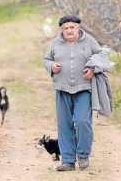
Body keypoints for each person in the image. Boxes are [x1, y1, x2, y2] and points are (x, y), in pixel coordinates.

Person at [43, 15, 110, 171]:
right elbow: (46, 59)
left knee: (82, 122)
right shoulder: (56, 42)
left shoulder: (89, 41)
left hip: (83, 90)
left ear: (78, 28)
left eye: (72, 27)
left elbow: (103, 56)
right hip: (62, 89)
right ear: (62, 30)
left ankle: (83, 155)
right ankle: (68, 161)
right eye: (65, 28)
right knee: (64, 125)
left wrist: (93, 68)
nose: (69, 31)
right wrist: (51, 66)